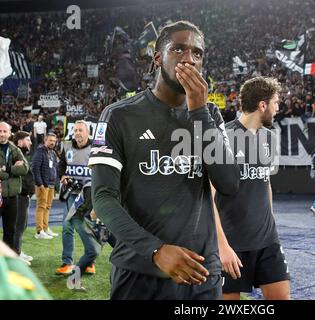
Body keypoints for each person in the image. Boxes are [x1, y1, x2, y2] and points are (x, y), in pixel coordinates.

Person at [89, 20, 240, 300]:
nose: (189, 58)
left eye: (197, 53)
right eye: (179, 49)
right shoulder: (118, 116)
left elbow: (229, 183)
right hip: (140, 273)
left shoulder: (210, 116)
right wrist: (155, 250)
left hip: (203, 276)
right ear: (158, 57)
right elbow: (103, 198)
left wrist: (198, 112)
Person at [213, 76, 290, 300]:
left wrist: (271, 223)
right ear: (262, 105)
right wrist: (221, 246)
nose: (278, 108)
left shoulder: (268, 138)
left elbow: (265, 182)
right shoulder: (224, 138)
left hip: (267, 242)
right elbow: (208, 197)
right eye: (275, 102)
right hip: (232, 244)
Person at [56, 120, 94, 275]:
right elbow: (61, 165)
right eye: (75, 130)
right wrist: (62, 175)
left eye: (80, 130)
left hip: (89, 195)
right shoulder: (67, 146)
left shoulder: (96, 148)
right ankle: (67, 262)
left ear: (88, 132)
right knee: (67, 227)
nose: (77, 133)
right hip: (71, 194)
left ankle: (90, 261)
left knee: (89, 228)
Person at [65, 181, 101, 291]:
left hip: (88, 216)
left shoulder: (100, 183)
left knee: (115, 245)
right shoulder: (92, 187)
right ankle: (73, 280)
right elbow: (90, 213)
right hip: (79, 217)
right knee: (92, 251)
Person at [0, 122, 29, 253]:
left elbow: (24, 168)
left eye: (4, 131)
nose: (1, 134)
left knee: (10, 231)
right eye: (0, 131)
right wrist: (11, 171)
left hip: (12, 197)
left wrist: (7, 169)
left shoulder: (14, 149)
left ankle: (7, 262)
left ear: (9, 133)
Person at [12, 131, 34, 265]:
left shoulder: (22, 154)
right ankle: (15, 254)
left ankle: (18, 251)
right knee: (18, 227)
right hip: (19, 196)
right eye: (28, 139)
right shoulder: (16, 155)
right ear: (20, 142)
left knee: (22, 225)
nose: (31, 142)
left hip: (24, 196)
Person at [31, 133, 59, 240]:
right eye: (50, 140)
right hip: (43, 185)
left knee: (47, 207)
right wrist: (40, 184)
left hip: (51, 185)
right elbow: (35, 169)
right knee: (41, 207)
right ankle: (39, 231)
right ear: (45, 140)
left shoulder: (52, 153)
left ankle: (46, 229)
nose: (52, 142)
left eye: (54, 141)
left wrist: (55, 185)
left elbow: (55, 169)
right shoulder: (40, 152)